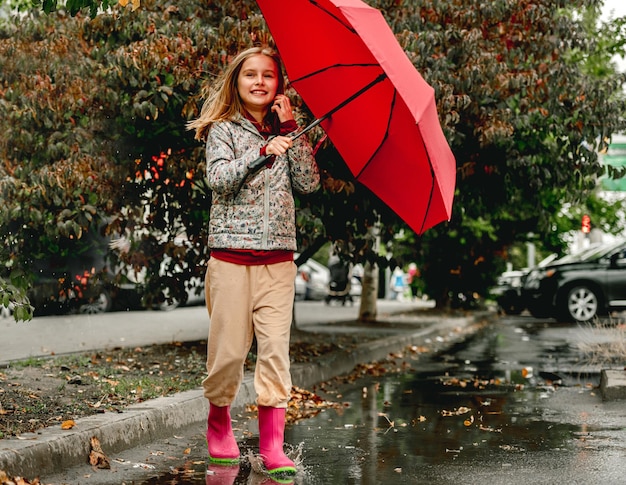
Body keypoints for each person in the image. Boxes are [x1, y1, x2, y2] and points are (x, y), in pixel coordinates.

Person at [187, 46, 320, 478]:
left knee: (275, 355)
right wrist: (263, 151)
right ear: (237, 81)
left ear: (278, 86)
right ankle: (219, 426)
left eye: (269, 76)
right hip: (229, 261)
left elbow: (310, 183)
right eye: (251, 75)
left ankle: (273, 445)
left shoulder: (288, 130)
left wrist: (291, 129)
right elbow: (219, 180)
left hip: (278, 262)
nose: (260, 81)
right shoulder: (222, 130)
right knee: (227, 354)